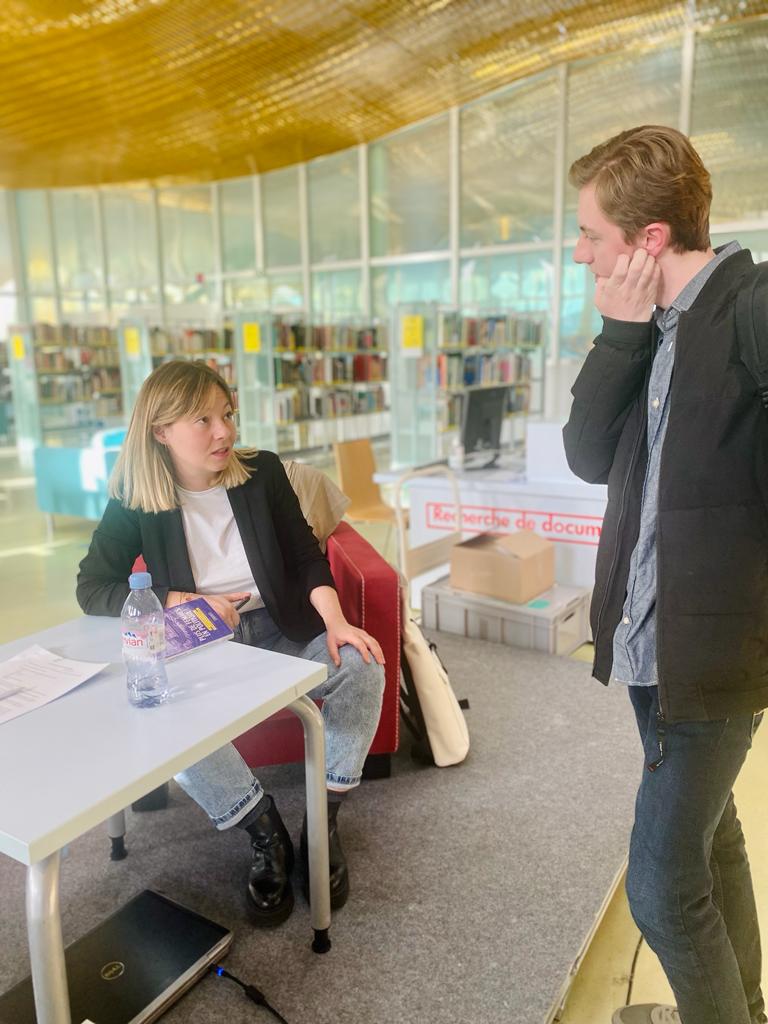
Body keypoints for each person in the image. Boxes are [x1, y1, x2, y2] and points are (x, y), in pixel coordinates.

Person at [563, 125, 768, 1024]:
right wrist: (618, 332)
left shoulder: (752, 311)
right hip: (652, 644)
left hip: (717, 661)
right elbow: (583, 455)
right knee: (713, 838)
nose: (580, 253)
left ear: (649, 240)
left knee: (658, 887)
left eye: (592, 237)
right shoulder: (650, 328)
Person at [76, 359, 385, 927]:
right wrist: (178, 601)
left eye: (227, 415)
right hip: (202, 644)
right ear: (161, 431)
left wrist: (337, 621)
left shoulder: (261, 473)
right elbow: (92, 585)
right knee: (160, 717)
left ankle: (322, 820)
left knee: (363, 666)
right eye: (204, 420)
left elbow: (304, 556)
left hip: (281, 628)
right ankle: (261, 828)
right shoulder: (136, 497)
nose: (224, 432)